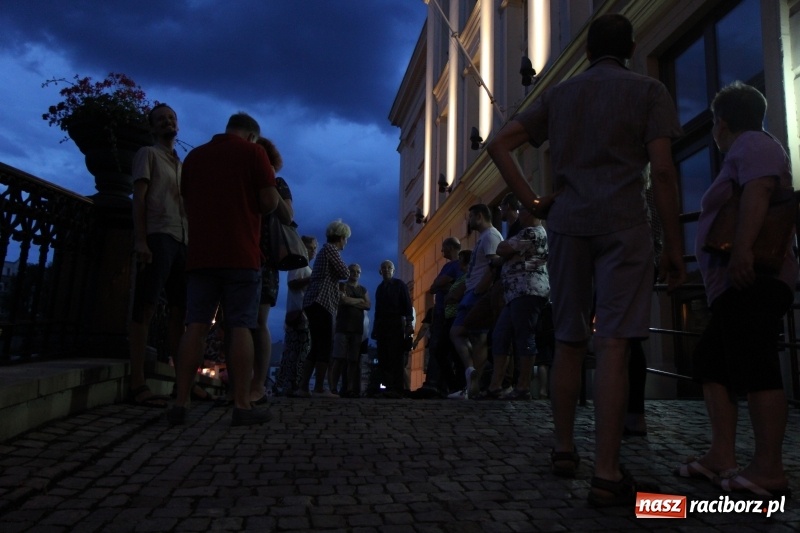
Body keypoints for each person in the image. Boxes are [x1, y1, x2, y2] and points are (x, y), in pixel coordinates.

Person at [487, 13, 686, 507]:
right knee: (615, 342)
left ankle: (562, 447)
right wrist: (676, 248)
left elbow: (498, 144)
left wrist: (533, 203)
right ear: (632, 47)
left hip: (567, 224)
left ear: (587, 51)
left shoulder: (559, 95)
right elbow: (661, 171)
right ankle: (606, 470)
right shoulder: (648, 92)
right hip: (625, 223)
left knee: (569, 339)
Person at [674, 82, 796, 499]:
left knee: (756, 362)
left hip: (753, 277)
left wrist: (742, 251)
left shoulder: (752, 145)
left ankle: (769, 470)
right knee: (712, 361)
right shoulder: (752, 147)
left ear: (720, 122)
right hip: (737, 282)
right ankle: (720, 456)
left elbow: (759, 191)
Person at [169, 112, 280, 427]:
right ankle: (242, 404)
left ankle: (181, 400)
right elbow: (270, 201)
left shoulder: (195, 156)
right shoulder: (253, 153)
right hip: (241, 253)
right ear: (252, 136)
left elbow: (185, 199)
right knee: (241, 326)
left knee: (196, 326)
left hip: (201, 254)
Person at [128, 103, 203, 407]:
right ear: (153, 128)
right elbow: (140, 199)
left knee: (178, 312)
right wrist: (141, 240)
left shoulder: (180, 164)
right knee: (145, 306)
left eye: (171, 118)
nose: (168, 122)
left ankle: (183, 384)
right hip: (159, 236)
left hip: (181, 240)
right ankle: (137, 382)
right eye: (161, 120)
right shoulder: (148, 154)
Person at [480, 206, 549, 400]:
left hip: (526, 291)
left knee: (523, 337)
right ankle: (496, 386)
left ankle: (522, 387)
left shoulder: (532, 232)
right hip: (517, 293)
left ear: (532, 213)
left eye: (523, 211)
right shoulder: (536, 235)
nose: (520, 215)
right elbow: (527, 262)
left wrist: (505, 255)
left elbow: (502, 248)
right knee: (501, 335)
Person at [251, 137, 294, 405]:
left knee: (258, 321)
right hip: (242, 256)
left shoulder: (278, 184)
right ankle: (243, 383)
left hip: (265, 259)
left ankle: (258, 383)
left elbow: (288, 215)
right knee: (239, 323)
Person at [448, 204, 503, 399]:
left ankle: (474, 386)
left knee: (478, 338)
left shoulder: (491, 236)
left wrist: (481, 289)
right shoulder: (484, 237)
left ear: (479, 216)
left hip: (479, 293)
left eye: (470, 217)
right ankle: (470, 373)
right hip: (472, 293)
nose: (469, 221)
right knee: (458, 332)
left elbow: (494, 265)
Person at [297, 220, 352, 398]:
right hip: (322, 301)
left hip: (314, 301)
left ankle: (304, 387)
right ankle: (319, 387)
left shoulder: (324, 251)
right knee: (325, 345)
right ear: (341, 237)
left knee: (316, 346)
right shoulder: (330, 250)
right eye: (346, 239)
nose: (346, 242)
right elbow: (345, 273)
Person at [276, 236, 317, 396]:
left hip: (303, 314)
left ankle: (291, 384)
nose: (313, 251)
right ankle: (293, 385)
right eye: (310, 247)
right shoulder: (299, 264)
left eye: (314, 248)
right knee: (298, 352)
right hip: (300, 315)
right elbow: (293, 284)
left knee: (297, 351)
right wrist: (313, 279)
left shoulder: (304, 265)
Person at [372, 260, 414, 399]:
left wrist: (409, 324)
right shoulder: (380, 288)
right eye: (384, 267)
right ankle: (388, 386)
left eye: (389, 267)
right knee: (384, 357)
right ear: (380, 271)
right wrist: (375, 328)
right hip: (383, 325)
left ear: (393, 270)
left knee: (396, 357)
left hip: (396, 323)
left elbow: (407, 304)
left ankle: (397, 388)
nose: (386, 269)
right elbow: (377, 310)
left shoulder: (399, 285)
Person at [329, 263, 370, 398]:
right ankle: (333, 387)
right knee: (338, 359)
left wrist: (350, 300)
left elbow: (368, 305)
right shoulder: (342, 286)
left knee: (353, 360)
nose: (355, 273)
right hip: (342, 327)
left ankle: (350, 388)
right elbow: (342, 300)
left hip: (357, 330)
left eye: (358, 271)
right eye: (352, 271)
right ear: (348, 272)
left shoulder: (363, 289)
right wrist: (359, 301)